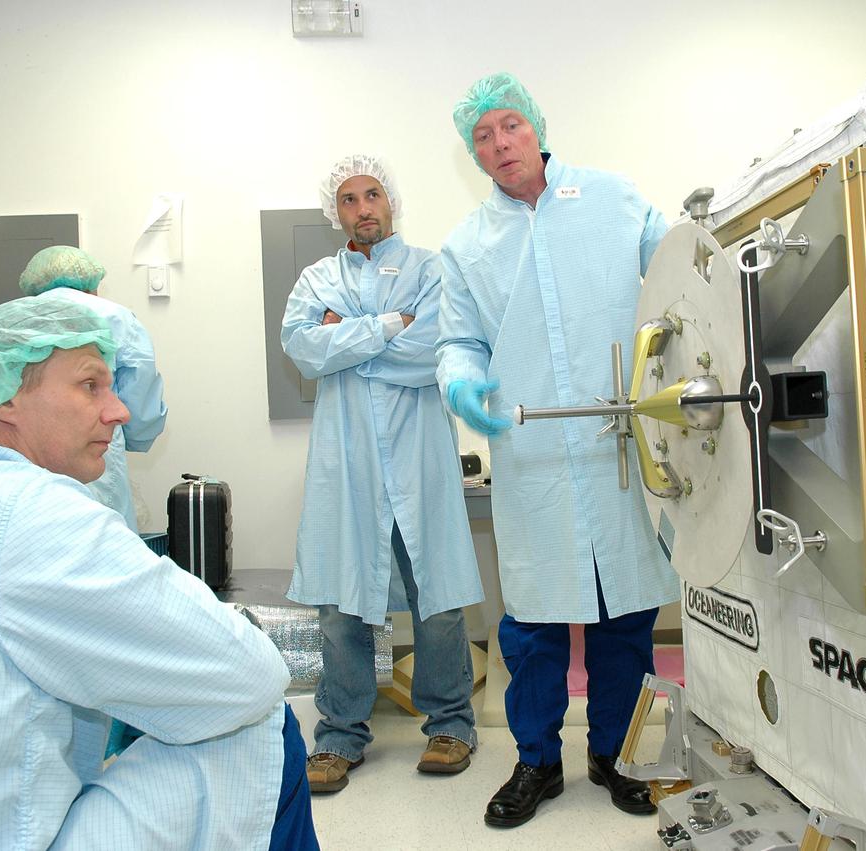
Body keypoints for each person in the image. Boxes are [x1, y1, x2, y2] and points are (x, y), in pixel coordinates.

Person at [0, 297, 319, 851]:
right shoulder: (29, 513)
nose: (119, 411)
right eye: (90, 385)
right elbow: (249, 675)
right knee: (260, 725)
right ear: (3, 397)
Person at [437, 72, 681, 828]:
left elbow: (677, 270)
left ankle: (616, 754)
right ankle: (538, 761)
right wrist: (460, 382)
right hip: (532, 450)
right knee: (533, 624)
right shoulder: (467, 245)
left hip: (621, 447)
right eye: (483, 136)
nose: (500, 142)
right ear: (474, 155)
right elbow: (457, 340)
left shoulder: (612, 198)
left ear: (536, 127)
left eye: (509, 125)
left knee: (624, 616)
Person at [281, 154, 484, 794]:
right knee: (341, 604)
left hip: (420, 458)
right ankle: (339, 735)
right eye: (348, 199)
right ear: (335, 212)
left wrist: (349, 339)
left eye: (372, 194)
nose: (363, 207)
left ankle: (451, 725)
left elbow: (432, 353)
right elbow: (303, 349)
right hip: (347, 464)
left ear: (390, 200)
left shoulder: (431, 270)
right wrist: (393, 326)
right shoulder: (316, 278)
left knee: (437, 598)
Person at [18, 245, 167, 532]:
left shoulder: (15, 318)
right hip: (96, 445)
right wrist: (136, 436)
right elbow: (140, 397)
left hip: (30, 448)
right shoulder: (116, 316)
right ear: (91, 284)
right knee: (102, 533)